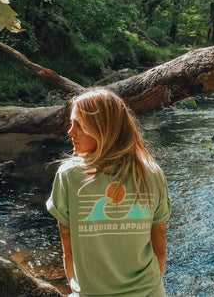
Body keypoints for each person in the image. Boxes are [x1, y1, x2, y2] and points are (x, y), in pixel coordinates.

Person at [47, 87, 172, 297]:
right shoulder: (152, 173)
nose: (70, 131)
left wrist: (80, 290)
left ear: (102, 128)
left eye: (78, 124)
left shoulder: (68, 176)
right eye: (71, 123)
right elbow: (160, 250)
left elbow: (68, 254)